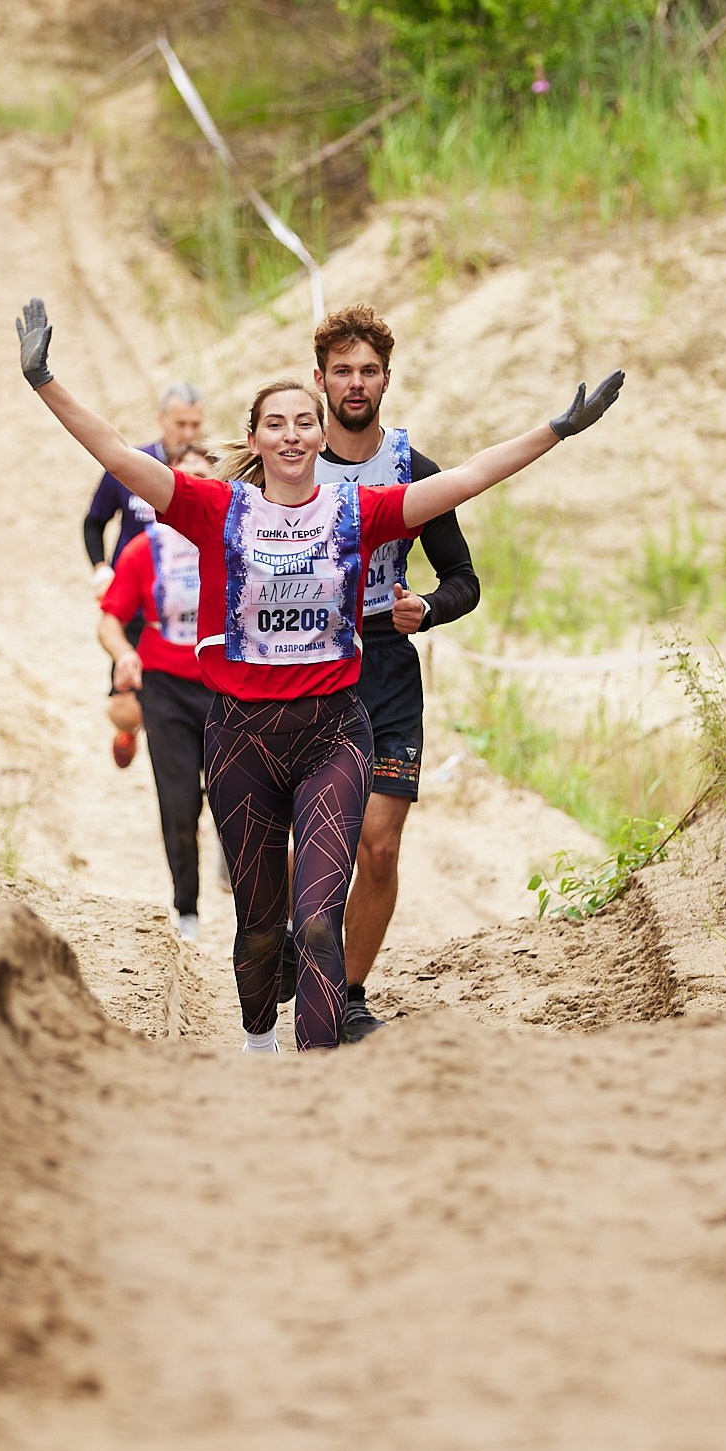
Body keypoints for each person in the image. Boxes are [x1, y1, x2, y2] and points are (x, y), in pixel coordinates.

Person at [16, 297, 622, 1052]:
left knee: (318, 914)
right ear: (256, 438)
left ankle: (327, 1067)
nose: (295, 433)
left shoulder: (356, 510)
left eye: (304, 421)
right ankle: (260, 1039)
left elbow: (466, 479)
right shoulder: (213, 508)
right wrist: (44, 380)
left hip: (338, 722)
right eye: (278, 422)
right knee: (263, 925)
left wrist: (556, 431)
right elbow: (115, 455)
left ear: (322, 427)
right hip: (240, 731)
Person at [311, 303, 483, 1042]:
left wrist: (430, 609)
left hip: (386, 664)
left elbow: (464, 578)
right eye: (342, 370)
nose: (356, 383)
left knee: (378, 843)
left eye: (368, 371)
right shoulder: (286, 459)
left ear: (387, 379)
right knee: (317, 838)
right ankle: (298, 952)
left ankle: (347, 993)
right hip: (309, 662)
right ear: (320, 379)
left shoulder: (416, 471)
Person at [99, 510, 211, 943]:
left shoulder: (239, 539)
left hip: (227, 684)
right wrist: (124, 653)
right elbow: (110, 618)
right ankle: (187, 908)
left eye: (207, 479)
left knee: (237, 800)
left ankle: (256, 911)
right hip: (164, 688)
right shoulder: (146, 548)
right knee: (180, 803)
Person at [84, 383, 205, 768]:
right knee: (127, 710)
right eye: (180, 423)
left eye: (195, 425)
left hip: (187, 605)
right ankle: (130, 729)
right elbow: (93, 523)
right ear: (161, 420)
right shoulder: (131, 465)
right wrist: (101, 568)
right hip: (135, 602)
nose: (187, 433)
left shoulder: (204, 469)